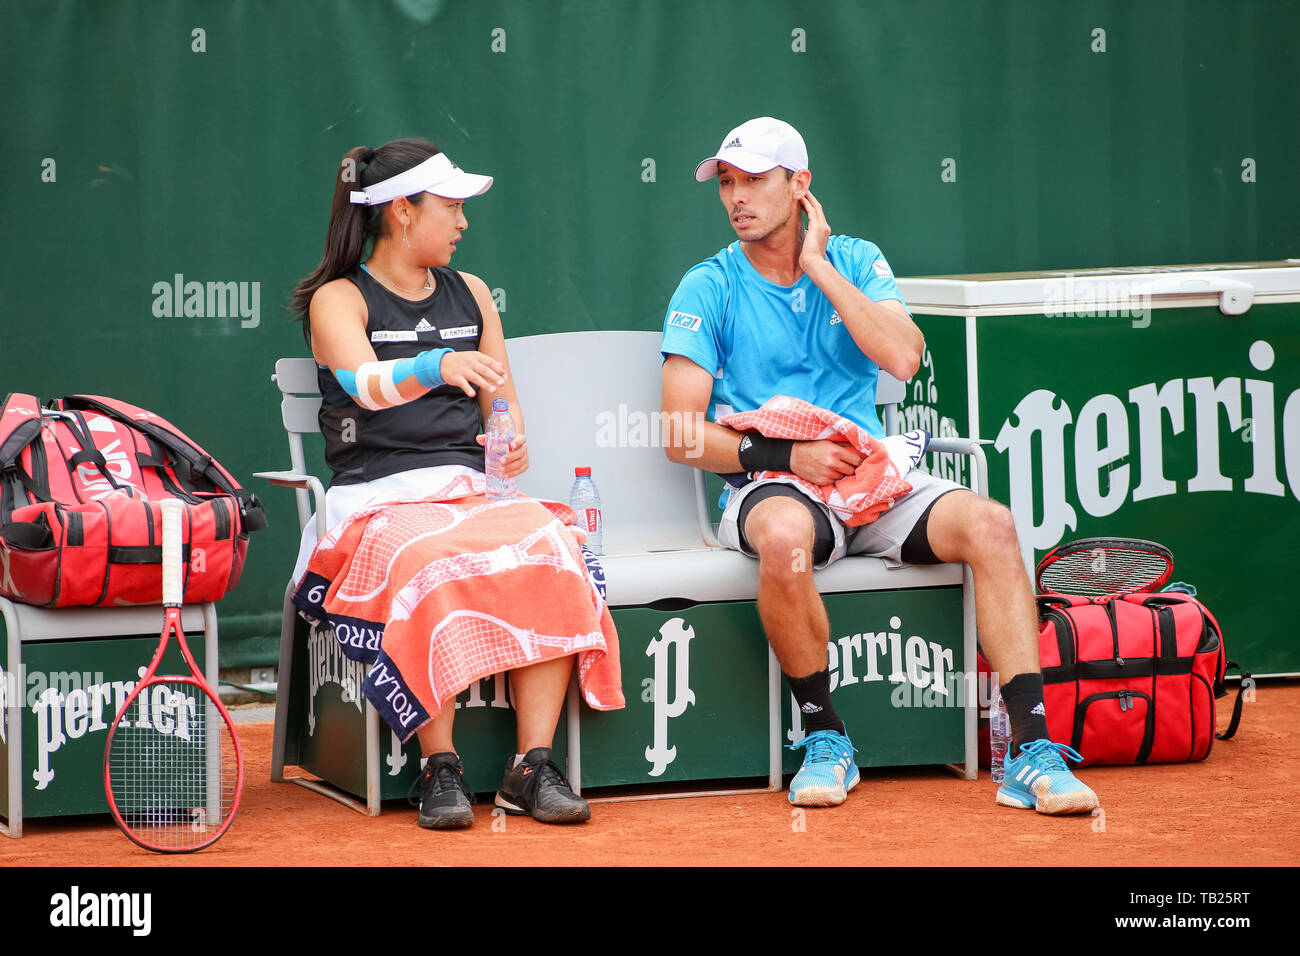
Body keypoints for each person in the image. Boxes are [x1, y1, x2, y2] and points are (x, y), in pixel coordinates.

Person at [660, 117, 1099, 815]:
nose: (736, 196)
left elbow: (902, 358)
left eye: (754, 180)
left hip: (876, 482)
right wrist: (787, 453)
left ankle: (1032, 749)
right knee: (782, 541)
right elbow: (681, 434)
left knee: (991, 523)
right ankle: (826, 735)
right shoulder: (706, 286)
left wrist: (818, 267)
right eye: (728, 183)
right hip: (774, 481)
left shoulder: (857, 260)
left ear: (801, 187)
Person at [289, 138, 590, 829]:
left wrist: (507, 442)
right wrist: (435, 367)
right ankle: (440, 767)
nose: (462, 223)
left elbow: (503, 408)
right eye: (450, 207)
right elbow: (364, 387)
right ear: (401, 212)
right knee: (426, 557)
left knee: (553, 543)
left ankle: (531, 766)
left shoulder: (474, 293)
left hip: (466, 490)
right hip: (376, 499)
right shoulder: (339, 299)